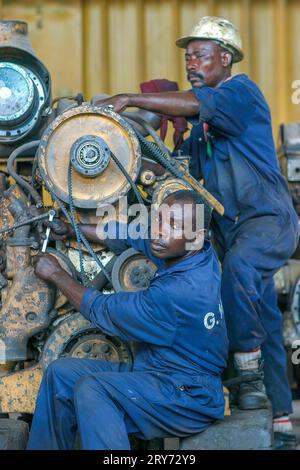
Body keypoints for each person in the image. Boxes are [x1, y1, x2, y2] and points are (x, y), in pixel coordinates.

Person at [93, 16, 299, 449]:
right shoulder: (199, 135)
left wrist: (129, 97)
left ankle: (245, 375)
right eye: (187, 57)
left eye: (200, 55)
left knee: (239, 269)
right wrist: (115, 158)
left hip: (266, 222)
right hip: (230, 231)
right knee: (256, 309)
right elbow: (167, 174)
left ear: (225, 59)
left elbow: (193, 102)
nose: (192, 63)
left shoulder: (239, 93)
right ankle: (279, 414)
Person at [27, 190, 228, 450]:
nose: (158, 232)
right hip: (158, 373)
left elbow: (102, 308)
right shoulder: (197, 254)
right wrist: (70, 229)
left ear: (197, 237)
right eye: (159, 220)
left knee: (94, 389)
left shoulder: (179, 292)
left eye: (173, 226)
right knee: (61, 374)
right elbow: (130, 235)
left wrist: (55, 273)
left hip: (187, 396)